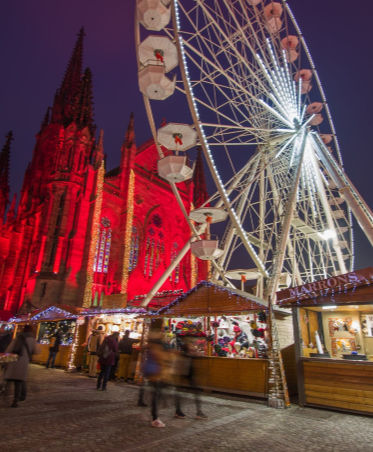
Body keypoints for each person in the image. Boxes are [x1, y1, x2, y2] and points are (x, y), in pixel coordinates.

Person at [4, 324, 39, 407]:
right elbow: (37, 351)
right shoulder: (32, 339)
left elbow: (9, 349)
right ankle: (15, 400)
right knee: (18, 382)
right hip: (23, 361)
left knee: (9, 379)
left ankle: (5, 395)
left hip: (13, 360)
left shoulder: (18, 337)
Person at [174, 336, 207, 420]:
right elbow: (189, 355)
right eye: (190, 342)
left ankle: (197, 412)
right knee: (183, 392)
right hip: (185, 372)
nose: (192, 344)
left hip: (188, 373)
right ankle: (179, 411)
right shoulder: (184, 350)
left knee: (194, 392)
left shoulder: (187, 350)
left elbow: (196, 356)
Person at [143, 331, 168, 428]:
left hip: (152, 372)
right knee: (156, 395)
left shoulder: (150, 346)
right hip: (155, 373)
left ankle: (154, 415)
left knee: (156, 394)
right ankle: (155, 418)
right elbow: (160, 358)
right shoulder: (156, 347)